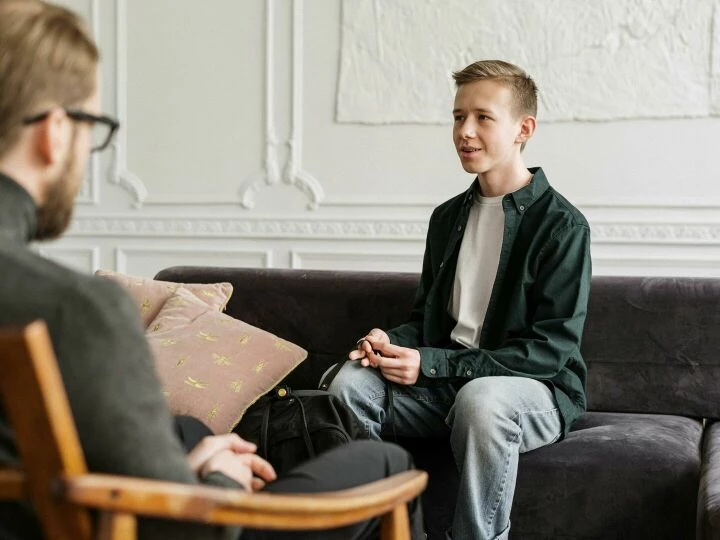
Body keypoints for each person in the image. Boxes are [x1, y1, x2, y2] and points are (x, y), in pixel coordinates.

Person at [0, 1, 423, 539]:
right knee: (385, 466)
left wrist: (183, 470)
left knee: (185, 431)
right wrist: (217, 482)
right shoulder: (74, 310)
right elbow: (185, 534)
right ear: (55, 131)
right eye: (93, 128)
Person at [327, 60, 592, 540]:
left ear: (523, 129)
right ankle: (386, 529)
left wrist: (430, 364)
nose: (464, 132)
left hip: (531, 393)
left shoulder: (562, 226)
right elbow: (426, 320)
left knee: (481, 400)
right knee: (349, 385)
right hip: (446, 387)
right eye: (457, 117)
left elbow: (550, 351)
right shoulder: (447, 217)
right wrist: (390, 341)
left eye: (483, 118)